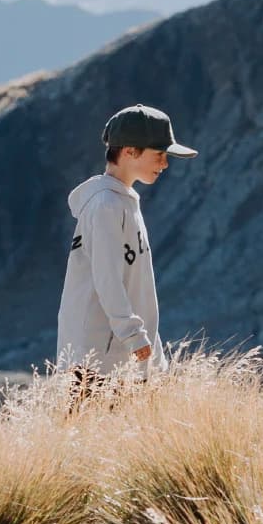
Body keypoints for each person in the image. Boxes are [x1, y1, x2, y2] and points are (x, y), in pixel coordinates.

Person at [56, 103, 197, 395]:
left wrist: (155, 357)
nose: (165, 164)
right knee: (88, 436)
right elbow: (107, 278)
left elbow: (137, 288)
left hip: (124, 354)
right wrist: (133, 336)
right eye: (159, 154)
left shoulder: (125, 202)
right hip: (97, 358)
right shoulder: (105, 205)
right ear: (130, 151)